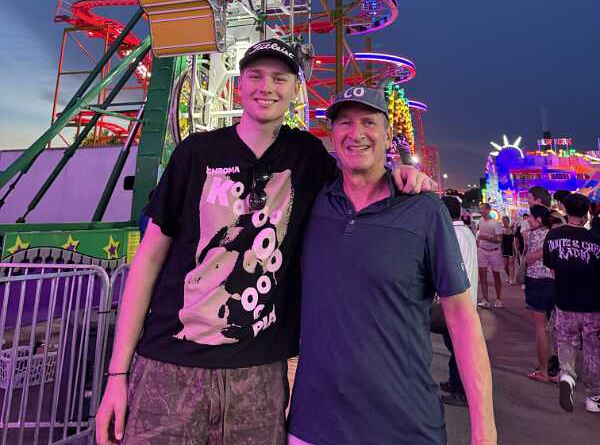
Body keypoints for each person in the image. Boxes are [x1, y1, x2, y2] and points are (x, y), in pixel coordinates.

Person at [95, 40, 435, 445]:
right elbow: (148, 261)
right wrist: (117, 374)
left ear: (295, 89)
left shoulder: (306, 156)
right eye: (255, 76)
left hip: (258, 373)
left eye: (279, 78)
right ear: (239, 85)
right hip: (170, 365)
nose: (266, 87)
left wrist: (398, 175)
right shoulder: (195, 153)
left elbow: (358, 182)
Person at [287, 88, 497, 445]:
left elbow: (462, 319)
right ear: (332, 135)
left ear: (388, 136)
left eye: (369, 122)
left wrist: (484, 428)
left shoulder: (425, 211)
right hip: (314, 424)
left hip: (404, 425)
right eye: (344, 123)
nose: (356, 133)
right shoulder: (311, 203)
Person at [543, 193, 600, 413]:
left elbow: (552, 269)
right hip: (593, 304)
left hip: (564, 300)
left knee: (566, 341)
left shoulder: (553, 236)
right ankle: (594, 397)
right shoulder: (595, 239)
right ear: (587, 213)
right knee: (593, 350)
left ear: (566, 211)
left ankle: (567, 375)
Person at [438, 194, 479, 408]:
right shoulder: (466, 232)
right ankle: (455, 382)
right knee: (457, 346)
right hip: (467, 299)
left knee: (458, 349)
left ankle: (461, 391)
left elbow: (447, 270)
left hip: (456, 302)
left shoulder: (450, 235)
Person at [525, 204, 556, 384]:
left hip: (537, 283)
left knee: (540, 328)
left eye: (530, 216)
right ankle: (556, 367)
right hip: (553, 282)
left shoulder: (534, 234)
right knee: (555, 328)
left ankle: (543, 371)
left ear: (538, 220)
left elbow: (529, 259)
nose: (528, 220)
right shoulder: (553, 233)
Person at [476, 203, 503, 309]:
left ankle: (498, 299)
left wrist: (485, 238)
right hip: (482, 250)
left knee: (496, 275)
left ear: (488, 210)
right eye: (480, 209)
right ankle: (485, 299)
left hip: (494, 251)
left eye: (482, 209)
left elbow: (499, 239)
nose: (480, 211)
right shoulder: (480, 221)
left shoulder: (495, 223)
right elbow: (479, 235)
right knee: (482, 275)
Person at [501, 215, 515, 284]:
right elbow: (500, 241)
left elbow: (515, 240)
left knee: (511, 264)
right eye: (503, 221)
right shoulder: (501, 229)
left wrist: (515, 249)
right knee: (505, 266)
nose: (504, 222)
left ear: (508, 221)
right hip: (504, 249)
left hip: (511, 249)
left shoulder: (512, 229)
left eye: (506, 221)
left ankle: (511, 279)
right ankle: (509, 276)